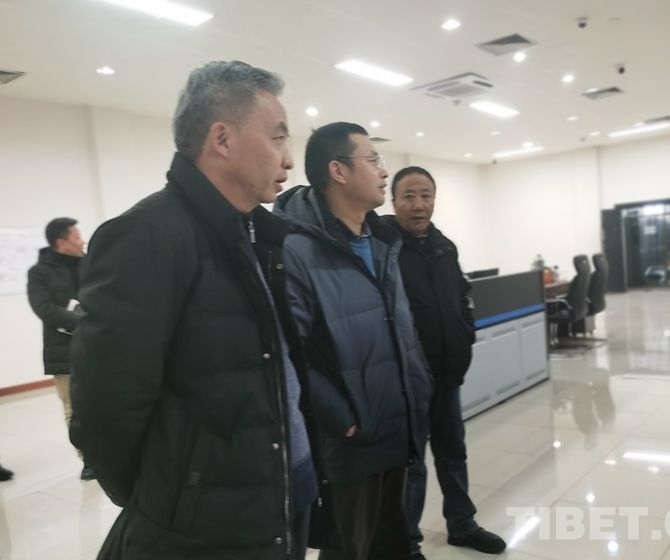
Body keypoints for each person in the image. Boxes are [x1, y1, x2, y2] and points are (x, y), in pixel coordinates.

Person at [69, 60, 318, 560]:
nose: (289, 159)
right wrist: (171, 501)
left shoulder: (256, 236)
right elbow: (104, 409)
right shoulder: (147, 235)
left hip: (277, 491)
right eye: (277, 138)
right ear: (222, 139)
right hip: (204, 525)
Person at [273, 122, 432, 560]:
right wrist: (344, 420)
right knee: (350, 548)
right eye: (374, 160)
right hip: (354, 441)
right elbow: (290, 352)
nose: (384, 172)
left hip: (397, 424)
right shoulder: (296, 250)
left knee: (392, 544)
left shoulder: (381, 242)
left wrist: (418, 388)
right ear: (338, 171)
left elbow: (399, 328)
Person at [383, 166, 506, 559]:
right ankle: (407, 543)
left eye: (426, 195)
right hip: (410, 380)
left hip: (448, 373)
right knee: (413, 465)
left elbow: (462, 298)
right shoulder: (385, 247)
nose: (418, 205)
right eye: (409, 196)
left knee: (453, 453)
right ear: (394, 201)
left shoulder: (444, 247)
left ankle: (462, 524)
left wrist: (465, 335)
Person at [27, 217, 94, 481]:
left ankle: (111, 451)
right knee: (73, 408)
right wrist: (84, 322)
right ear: (61, 242)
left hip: (97, 346)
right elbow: (44, 309)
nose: (82, 241)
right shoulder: (39, 273)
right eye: (77, 236)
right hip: (63, 350)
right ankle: (88, 459)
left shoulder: (90, 264)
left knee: (104, 400)